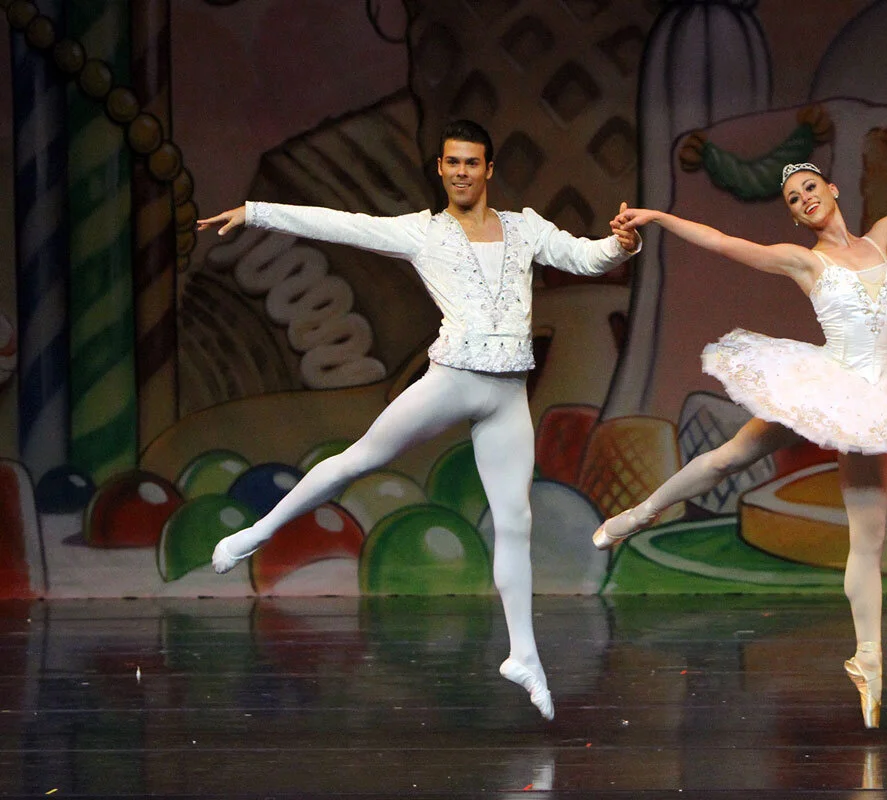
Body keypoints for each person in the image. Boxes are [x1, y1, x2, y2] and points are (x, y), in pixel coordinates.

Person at [196, 119, 641, 721]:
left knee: (516, 522)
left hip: (508, 395)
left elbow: (585, 257)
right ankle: (257, 533)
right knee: (358, 460)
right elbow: (340, 224)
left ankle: (524, 656)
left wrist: (621, 245)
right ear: (440, 168)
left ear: (488, 170)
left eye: (472, 163)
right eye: (452, 162)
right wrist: (255, 211)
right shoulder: (422, 232)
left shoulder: (525, 228)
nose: (461, 172)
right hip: (450, 383)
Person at [595, 114, 887, 728]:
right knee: (730, 457)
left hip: (876, 399)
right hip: (823, 385)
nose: (804, 199)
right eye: (793, 199)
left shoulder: (884, 238)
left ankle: (869, 662)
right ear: (795, 216)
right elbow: (721, 241)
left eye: (810, 188)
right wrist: (658, 216)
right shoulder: (804, 261)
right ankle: (639, 514)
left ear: (832, 189)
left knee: (868, 539)